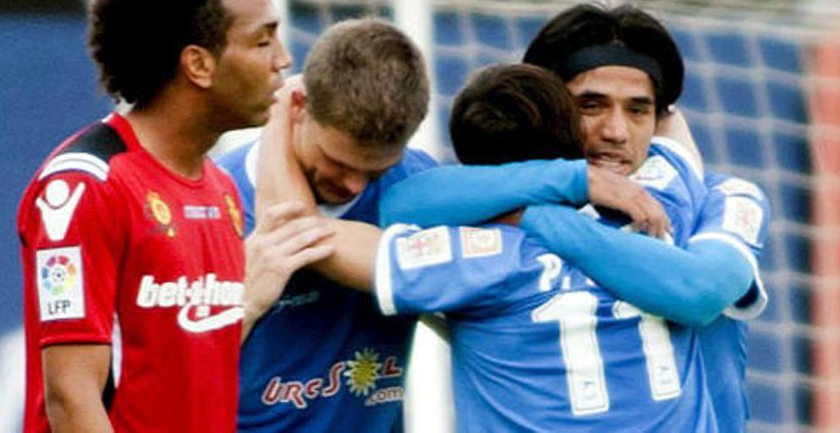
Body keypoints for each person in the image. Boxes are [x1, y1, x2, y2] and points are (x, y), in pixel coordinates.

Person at [265, 63, 750, 430]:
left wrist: (279, 117)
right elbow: (675, 137)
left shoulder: (469, 259)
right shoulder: (697, 202)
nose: (616, 129)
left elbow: (302, 230)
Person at [382, 2, 770, 430]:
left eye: (638, 110)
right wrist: (574, 179)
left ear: (661, 120)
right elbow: (397, 205)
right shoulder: (492, 201)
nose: (616, 132)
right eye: (591, 105)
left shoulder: (722, 198)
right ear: (549, 107)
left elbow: (700, 290)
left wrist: (541, 220)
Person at [15, 0, 333, 431]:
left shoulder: (220, 191)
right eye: (262, 40)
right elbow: (71, 399)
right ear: (199, 64)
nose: (285, 59)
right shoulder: (85, 187)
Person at [216, 17, 436, 432]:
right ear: (298, 107)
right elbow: (162, 380)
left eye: (375, 172)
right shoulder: (212, 204)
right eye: (338, 163)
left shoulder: (417, 187)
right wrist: (240, 309)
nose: (354, 185)